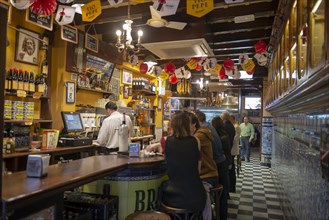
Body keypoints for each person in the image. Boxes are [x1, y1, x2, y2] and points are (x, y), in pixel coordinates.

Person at [161, 111, 206, 213]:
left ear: (172, 125)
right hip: (195, 196)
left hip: (172, 196)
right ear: (187, 125)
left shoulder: (167, 141)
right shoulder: (195, 141)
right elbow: (198, 170)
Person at [195, 110, 228, 220]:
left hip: (216, 165)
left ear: (197, 121)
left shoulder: (201, 132)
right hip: (220, 162)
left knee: (220, 197)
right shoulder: (207, 127)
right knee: (222, 198)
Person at [188, 112, 218, 219]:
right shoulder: (200, 133)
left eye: (186, 125)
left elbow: (186, 145)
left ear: (194, 125)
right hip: (207, 173)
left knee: (191, 190)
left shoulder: (199, 136)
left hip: (207, 175)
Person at [212, 116, 232, 220]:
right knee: (223, 192)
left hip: (219, 165)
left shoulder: (216, 138)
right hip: (225, 162)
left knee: (220, 191)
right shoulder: (225, 135)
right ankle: (223, 215)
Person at [229, 114, 241, 193]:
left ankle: (232, 187)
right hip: (233, 149)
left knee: (231, 167)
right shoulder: (235, 126)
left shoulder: (235, 127)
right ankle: (231, 186)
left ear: (232, 119)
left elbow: (234, 139)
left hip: (232, 150)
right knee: (231, 167)